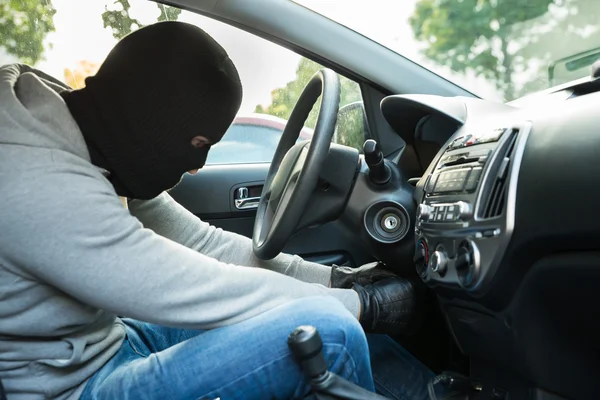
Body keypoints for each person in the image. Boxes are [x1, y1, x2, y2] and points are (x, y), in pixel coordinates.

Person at [0, 21, 432, 400]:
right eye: (199, 145)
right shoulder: (40, 182)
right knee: (330, 330)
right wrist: (361, 305)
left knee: (325, 308)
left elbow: (200, 243)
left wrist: (337, 280)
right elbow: (193, 289)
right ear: (153, 123)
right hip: (78, 386)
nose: (194, 167)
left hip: (115, 338)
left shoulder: (90, 137)